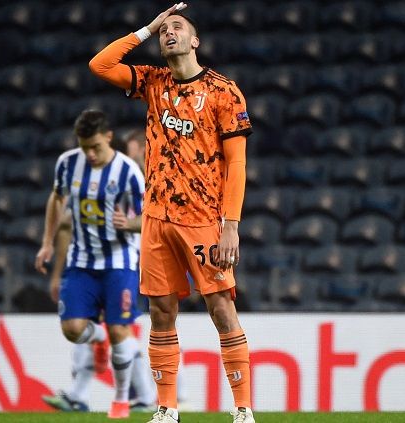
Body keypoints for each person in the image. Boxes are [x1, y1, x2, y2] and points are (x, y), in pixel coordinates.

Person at [90, 3, 255, 422]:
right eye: (164, 29)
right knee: (161, 311)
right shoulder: (152, 81)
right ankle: (167, 409)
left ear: (194, 40)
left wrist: (230, 226)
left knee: (220, 307)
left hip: (204, 220)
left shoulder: (223, 91)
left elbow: (237, 164)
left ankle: (243, 410)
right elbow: (101, 63)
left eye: (177, 26)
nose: (169, 32)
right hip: (156, 219)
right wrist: (146, 27)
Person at [35, 109, 146, 419]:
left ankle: (122, 400)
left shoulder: (128, 172)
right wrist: (47, 243)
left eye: (96, 147)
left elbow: (151, 216)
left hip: (120, 262)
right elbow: (56, 200)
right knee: (72, 329)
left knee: (121, 330)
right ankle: (98, 339)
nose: (91, 154)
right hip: (81, 260)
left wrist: (130, 223)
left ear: (109, 138)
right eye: (85, 147)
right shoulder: (68, 164)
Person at [42, 215, 157, 412]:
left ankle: (143, 397)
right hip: (96, 264)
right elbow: (65, 223)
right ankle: (143, 397)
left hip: (123, 263)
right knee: (104, 327)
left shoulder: (129, 187)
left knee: (117, 329)